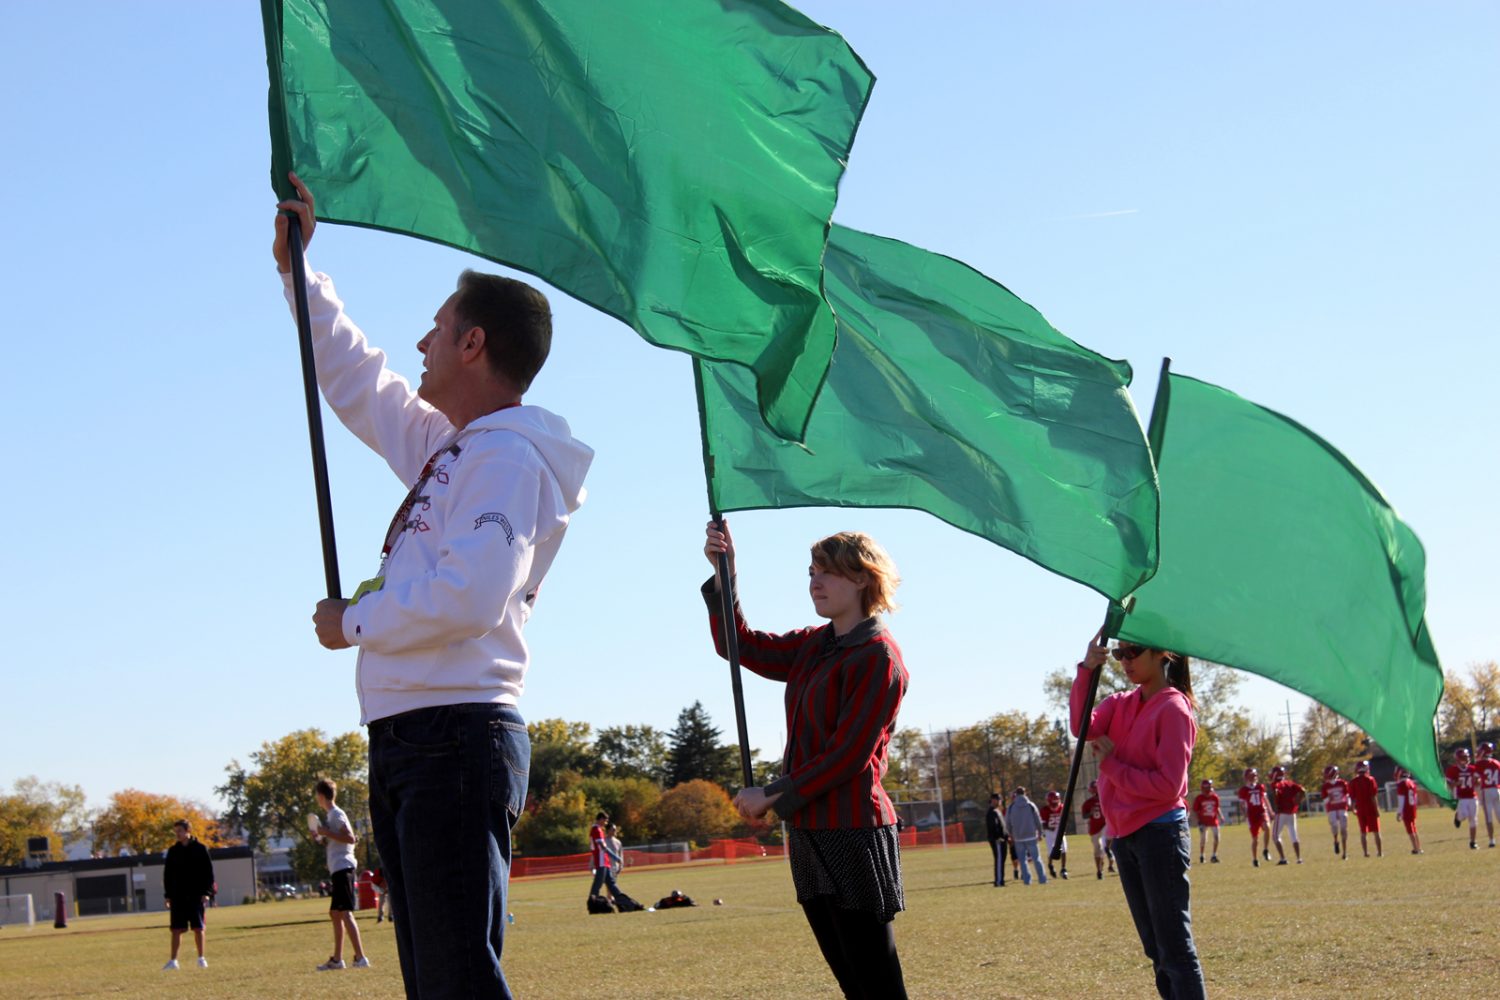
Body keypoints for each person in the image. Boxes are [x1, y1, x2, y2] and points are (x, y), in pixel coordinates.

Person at [275, 175, 593, 999]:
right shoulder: (456, 446)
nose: (421, 342)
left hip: (455, 737)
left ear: (474, 345)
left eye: (437, 328)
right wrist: (301, 273)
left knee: (455, 981)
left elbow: (470, 597)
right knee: (437, 980)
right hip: (415, 735)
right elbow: (360, 384)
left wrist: (354, 621)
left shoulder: (505, 456)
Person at [704, 519, 910, 999]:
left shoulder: (878, 656)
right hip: (808, 833)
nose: (815, 581)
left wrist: (770, 795)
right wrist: (724, 573)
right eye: (811, 571)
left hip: (855, 833)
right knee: (852, 983)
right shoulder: (815, 644)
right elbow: (740, 646)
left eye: (828, 572)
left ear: (862, 578)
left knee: (877, 983)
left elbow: (847, 757)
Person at [1073, 635, 1207, 1000]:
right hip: (1125, 837)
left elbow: (1168, 786)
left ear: (1161, 652)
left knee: (1175, 950)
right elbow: (1081, 727)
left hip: (1161, 834)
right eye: (1119, 653)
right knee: (1156, 950)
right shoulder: (1119, 703)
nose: (1125, 660)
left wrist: (1112, 766)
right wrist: (1087, 669)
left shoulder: (1174, 709)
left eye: (1134, 652)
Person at [312, 779, 369, 971]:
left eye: (316, 796)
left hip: (343, 868)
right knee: (335, 913)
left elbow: (350, 838)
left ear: (321, 796)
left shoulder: (336, 814)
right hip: (338, 869)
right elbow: (335, 837)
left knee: (345, 912)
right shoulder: (331, 816)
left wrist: (325, 832)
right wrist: (321, 836)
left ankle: (361, 958)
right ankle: (337, 960)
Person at [162, 820, 215, 970]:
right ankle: (173, 961)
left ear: (187, 830)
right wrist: (168, 895)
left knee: (198, 927)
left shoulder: (200, 849)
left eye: (180, 830)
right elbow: (168, 875)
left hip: (196, 895)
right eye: (176, 831)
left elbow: (208, 873)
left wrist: (207, 893)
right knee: (176, 930)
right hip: (178, 896)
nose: (177, 834)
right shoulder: (173, 851)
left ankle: (201, 959)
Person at [1005, 787, 1048, 886]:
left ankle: (1027, 880)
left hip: (1018, 837)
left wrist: (1011, 834)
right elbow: (1038, 820)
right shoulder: (1031, 805)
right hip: (1031, 836)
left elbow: (1007, 822)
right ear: (1025, 793)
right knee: (1036, 859)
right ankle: (1042, 879)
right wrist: (1040, 833)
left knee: (1022, 860)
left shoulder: (1011, 807)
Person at [1269, 765, 1306, 865]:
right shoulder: (1290, 783)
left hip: (1281, 814)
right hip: (1291, 813)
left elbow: (1276, 791)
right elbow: (1302, 790)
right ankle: (1299, 858)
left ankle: (1283, 858)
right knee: (1294, 835)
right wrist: (1298, 801)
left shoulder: (1276, 784)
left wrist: (1276, 801)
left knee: (1275, 836)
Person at [1236, 768, 1272, 867]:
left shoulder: (1260, 786)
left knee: (1267, 827)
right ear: (1247, 777)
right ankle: (1255, 859)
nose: (1254, 777)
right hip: (1252, 815)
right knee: (1255, 839)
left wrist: (1270, 811)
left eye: (1255, 775)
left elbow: (1265, 799)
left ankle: (1265, 850)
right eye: (1252, 775)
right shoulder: (1244, 790)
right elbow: (1242, 804)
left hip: (1261, 812)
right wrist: (1244, 814)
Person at [1446, 747, 1480, 849]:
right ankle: (1457, 817)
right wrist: (1456, 783)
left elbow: (1478, 782)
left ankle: (1473, 842)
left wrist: (1477, 781)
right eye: (1463, 757)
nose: (1465, 759)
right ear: (1457, 759)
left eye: (1466, 757)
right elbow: (1449, 785)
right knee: (1463, 816)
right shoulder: (1453, 770)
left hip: (1473, 797)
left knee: (1473, 820)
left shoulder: (1473, 769)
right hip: (1461, 798)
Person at [1349, 759, 1383, 858]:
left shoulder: (1353, 782)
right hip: (1370, 808)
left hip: (1361, 809)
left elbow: (1353, 798)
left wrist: (1353, 809)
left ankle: (1365, 853)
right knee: (1376, 831)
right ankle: (1380, 852)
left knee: (1363, 832)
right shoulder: (1370, 780)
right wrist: (1377, 809)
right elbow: (1373, 796)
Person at [1081, 780, 1113, 879]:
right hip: (1094, 828)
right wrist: (1090, 813)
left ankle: (1108, 849)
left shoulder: (1107, 799)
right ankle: (1099, 871)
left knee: (1106, 841)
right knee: (1097, 850)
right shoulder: (1088, 803)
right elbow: (1084, 816)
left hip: (1105, 825)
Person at [587, 812, 620, 904]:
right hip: (601, 861)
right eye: (605, 821)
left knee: (611, 884)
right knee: (598, 884)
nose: (606, 823)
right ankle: (592, 903)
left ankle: (622, 901)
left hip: (604, 861)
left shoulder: (599, 829)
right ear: (601, 819)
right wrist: (615, 857)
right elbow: (602, 846)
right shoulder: (596, 830)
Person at [1320, 765, 1351, 860]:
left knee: (1344, 830)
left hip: (1342, 808)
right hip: (1332, 809)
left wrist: (1348, 803)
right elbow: (1325, 800)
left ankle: (1345, 853)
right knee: (1334, 828)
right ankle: (1336, 841)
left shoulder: (1342, 783)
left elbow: (1347, 794)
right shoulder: (1325, 786)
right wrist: (1331, 797)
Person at [1039, 789, 1069, 879]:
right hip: (1049, 832)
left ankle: (1063, 869)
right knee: (1051, 851)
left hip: (1059, 831)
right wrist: (1049, 828)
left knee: (1064, 849)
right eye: (1053, 803)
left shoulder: (1062, 807)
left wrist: (1063, 828)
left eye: (1056, 802)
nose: (1055, 805)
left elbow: (1065, 820)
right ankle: (1050, 865)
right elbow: (1043, 824)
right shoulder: (1044, 810)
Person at [1190, 779, 1221, 865]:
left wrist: (1221, 816)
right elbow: (1195, 810)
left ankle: (1214, 855)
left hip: (1213, 820)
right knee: (1203, 839)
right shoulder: (1199, 798)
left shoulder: (1215, 797)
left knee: (1217, 837)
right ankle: (1202, 855)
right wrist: (1198, 821)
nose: (1208, 791)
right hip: (1203, 821)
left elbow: (1217, 808)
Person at [1393, 766, 1423, 854]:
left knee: (1410, 830)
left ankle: (1416, 849)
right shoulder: (1412, 783)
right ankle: (1419, 847)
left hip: (1406, 809)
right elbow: (1416, 797)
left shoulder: (1402, 784)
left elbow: (1401, 800)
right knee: (1414, 828)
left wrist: (1399, 813)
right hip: (1412, 808)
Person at [1477, 742, 1500, 848]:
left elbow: (1476, 779)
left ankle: (1492, 840)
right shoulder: (1496, 763)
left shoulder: (1480, 764)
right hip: (1497, 790)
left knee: (1489, 817)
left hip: (1487, 790)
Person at [985, 792, 1010, 887]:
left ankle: (1001, 880)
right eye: (998, 800)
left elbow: (1002, 826)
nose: (1000, 801)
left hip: (1002, 840)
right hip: (997, 840)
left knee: (1001, 860)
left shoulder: (997, 811)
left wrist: (1007, 836)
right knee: (999, 860)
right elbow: (994, 827)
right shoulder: (992, 812)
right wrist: (998, 837)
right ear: (993, 800)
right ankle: (999, 881)